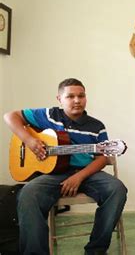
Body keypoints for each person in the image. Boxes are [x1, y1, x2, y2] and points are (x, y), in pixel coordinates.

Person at [3, 78, 127, 255]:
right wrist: (29, 140)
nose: (77, 100)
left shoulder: (96, 126)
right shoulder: (48, 115)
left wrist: (79, 177)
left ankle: (96, 250)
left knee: (117, 189)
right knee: (28, 193)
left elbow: (103, 158)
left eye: (81, 96)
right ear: (59, 99)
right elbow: (10, 116)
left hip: (87, 173)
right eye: (70, 96)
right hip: (53, 174)